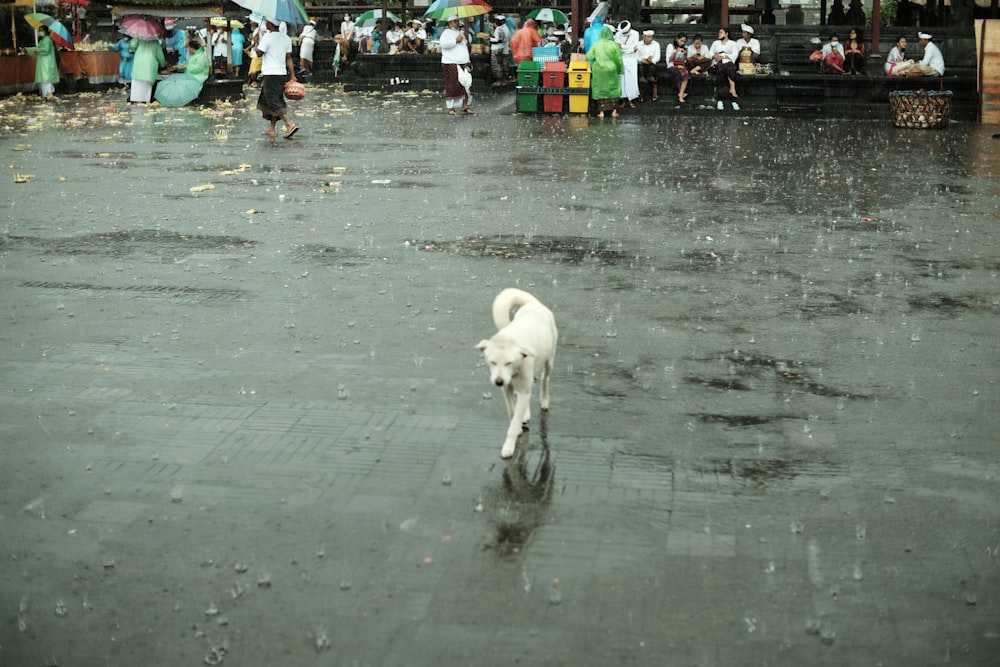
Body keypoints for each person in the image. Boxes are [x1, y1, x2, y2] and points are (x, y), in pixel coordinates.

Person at [255, 17, 298, 139]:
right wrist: (292, 74)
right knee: (270, 100)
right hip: (281, 73)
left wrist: (256, 42)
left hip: (270, 73)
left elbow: (259, 53)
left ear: (270, 24)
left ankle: (289, 124)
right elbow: (288, 58)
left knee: (273, 101)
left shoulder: (267, 37)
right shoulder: (286, 38)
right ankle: (272, 128)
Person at [587, 24, 623, 119]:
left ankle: (601, 111)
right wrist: (620, 70)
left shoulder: (596, 44)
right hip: (611, 69)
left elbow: (589, 56)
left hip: (599, 70)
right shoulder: (614, 45)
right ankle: (614, 111)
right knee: (613, 89)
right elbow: (618, 59)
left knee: (600, 89)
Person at [439, 13, 473, 115]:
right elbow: (443, 44)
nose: (457, 23)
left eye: (457, 21)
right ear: (450, 23)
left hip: (463, 62)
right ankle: (451, 108)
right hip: (451, 62)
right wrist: (455, 40)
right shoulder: (446, 33)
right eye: (455, 21)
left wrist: (468, 60)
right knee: (452, 86)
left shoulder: (460, 32)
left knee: (466, 84)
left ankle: (465, 105)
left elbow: (465, 46)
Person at [129, 36, 165, 103]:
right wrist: (162, 64)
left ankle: (135, 100)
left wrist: (136, 38)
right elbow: (160, 57)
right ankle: (145, 101)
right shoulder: (155, 42)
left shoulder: (139, 39)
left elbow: (132, 46)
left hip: (138, 66)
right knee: (146, 90)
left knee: (136, 86)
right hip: (149, 67)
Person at [26, 26, 59, 101]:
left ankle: (49, 95)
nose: (39, 32)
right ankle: (46, 95)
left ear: (45, 31)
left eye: (41, 30)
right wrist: (28, 50)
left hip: (47, 62)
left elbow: (45, 50)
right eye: (39, 30)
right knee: (43, 80)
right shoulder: (43, 40)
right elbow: (38, 49)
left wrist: (35, 50)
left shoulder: (47, 40)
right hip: (43, 62)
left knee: (46, 79)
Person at [615, 20, 640, 109]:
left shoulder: (635, 34)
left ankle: (631, 99)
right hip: (621, 59)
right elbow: (617, 47)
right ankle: (622, 99)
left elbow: (635, 48)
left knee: (631, 80)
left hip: (632, 60)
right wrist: (630, 49)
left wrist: (623, 47)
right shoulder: (618, 35)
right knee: (621, 80)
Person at [709, 27, 738, 102]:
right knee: (723, 67)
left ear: (726, 34)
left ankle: (732, 89)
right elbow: (710, 53)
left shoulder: (733, 43)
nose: (719, 34)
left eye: (721, 32)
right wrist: (715, 56)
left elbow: (735, 54)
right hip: (717, 63)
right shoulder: (715, 43)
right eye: (719, 32)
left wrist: (725, 57)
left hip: (727, 61)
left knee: (729, 66)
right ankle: (732, 89)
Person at [637, 30, 661, 101]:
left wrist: (652, 60)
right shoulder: (638, 44)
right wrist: (641, 60)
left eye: (651, 37)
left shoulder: (656, 44)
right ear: (644, 37)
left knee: (652, 69)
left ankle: (654, 94)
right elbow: (636, 56)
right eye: (648, 37)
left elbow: (658, 57)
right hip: (641, 63)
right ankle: (641, 95)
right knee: (641, 69)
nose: (650, 39)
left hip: (651, 64)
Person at [666, 34, 690, 103]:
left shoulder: (685, 47)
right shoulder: (670, 46)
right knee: (682, 73)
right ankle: (681, 95)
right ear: (677, 39)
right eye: (681, 40)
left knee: (685, 72)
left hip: (681, 65)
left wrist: (685, 54)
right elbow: (669, 60)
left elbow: (685, 61)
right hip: (672, 65)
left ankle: (681, 93)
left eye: (684, 41)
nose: (682, 43)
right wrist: (675, 52)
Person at [488, 15, 511, 86]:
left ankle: (499, 80)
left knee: (496, 65)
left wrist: (489, 39)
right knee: (504, 65)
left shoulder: (499, 29)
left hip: (497, 48)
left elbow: (497, 40)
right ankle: (504, 80)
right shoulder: (506, 28)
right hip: (504, 49)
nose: (496, 22)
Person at [246, 20, 263, 87]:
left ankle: (255, 82)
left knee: (254, 70)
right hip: (254, 52)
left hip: (257, 52)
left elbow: (256, 42)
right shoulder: (255, 31)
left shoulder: (258, 32)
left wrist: (248, 48)